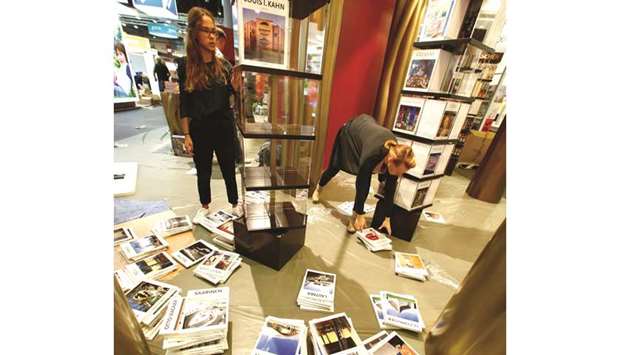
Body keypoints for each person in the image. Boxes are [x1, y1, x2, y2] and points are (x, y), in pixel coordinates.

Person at [178, 7, 243, 222]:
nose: (212, 36)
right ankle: (204, 205)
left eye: (213, 31)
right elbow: (184, 102)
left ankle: (235, 203)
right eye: (206, 31)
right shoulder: (185, 66)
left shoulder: (223, 65)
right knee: (203, 169)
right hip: (200, 127)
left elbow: (229, 95)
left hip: (223, 125)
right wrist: (186, 134)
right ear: (195, 33)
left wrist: (234, 87)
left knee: (228, 167)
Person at [311, 114, 416, 235]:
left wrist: (387, 218)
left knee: (383, 178)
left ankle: (353, 218)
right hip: (351, 133)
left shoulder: (397, 152)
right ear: (391, 160)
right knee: (335, 166)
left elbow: (390, 188)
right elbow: (362, 184)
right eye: (399, 172)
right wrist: (360, 213)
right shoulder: (372, 154)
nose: (399, 175)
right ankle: (319, 188)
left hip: (367, 133)